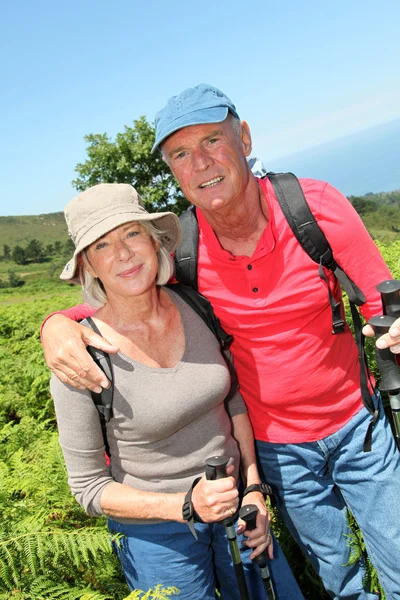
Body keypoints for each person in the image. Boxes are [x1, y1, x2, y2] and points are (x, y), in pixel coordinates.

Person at [41, 85, 400, 600]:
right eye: (182, 154)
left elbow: (382, 306)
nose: (202, 162)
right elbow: (124, 297)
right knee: (338, 579)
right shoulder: (185, 250)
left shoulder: (314, 207)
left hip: (357, 426)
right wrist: (55, 322)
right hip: (278, 451)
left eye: (213, 140)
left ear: (245, 138)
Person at [48, 181, 304, 600]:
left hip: (235, 506)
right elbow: (89, 489)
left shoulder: (197, 307)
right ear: (88, 266)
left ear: (155, 242)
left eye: (132, 233)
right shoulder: (78, 358)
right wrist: (187, 506)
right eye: (102, 246)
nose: (124, 254)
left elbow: (233, 399)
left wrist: (253, 488)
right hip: (156, 535)